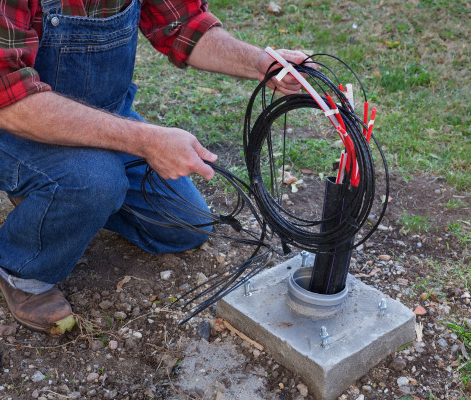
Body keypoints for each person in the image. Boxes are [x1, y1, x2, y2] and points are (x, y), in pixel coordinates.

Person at [0, 0, 306, 334]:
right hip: (14, 126)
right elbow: (11, 101)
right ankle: (23, 271)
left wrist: (260, 63)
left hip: (104, 122)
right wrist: (146, 141)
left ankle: (56, 198)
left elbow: (183, 23)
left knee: (184, 225)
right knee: (95, 181)